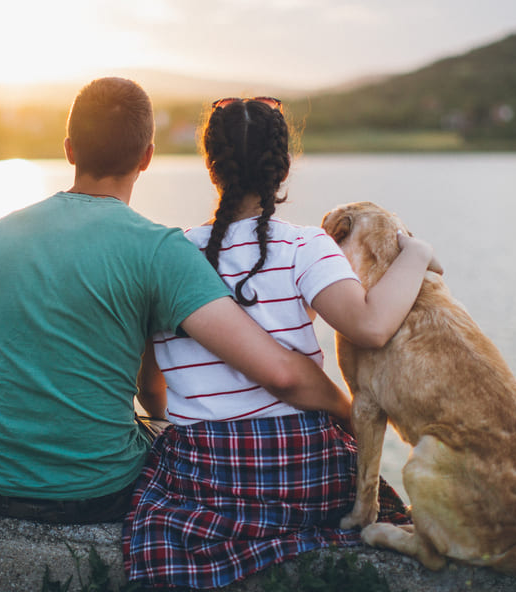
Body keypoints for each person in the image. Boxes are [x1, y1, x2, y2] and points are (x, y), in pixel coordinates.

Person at [0, 79, 352, 524]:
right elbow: (279, 372)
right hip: (97, 493)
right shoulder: (157, 249)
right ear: (147, 157)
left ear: (69, 150)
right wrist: (347, 412)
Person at [122, 96, 438, 589]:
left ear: (212, 167)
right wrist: (415, 254)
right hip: (300, 466)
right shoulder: (304, 245)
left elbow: (151, 388)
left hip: (205, 471)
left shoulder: (171, 255)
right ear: (283, 166)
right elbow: (372, 327)